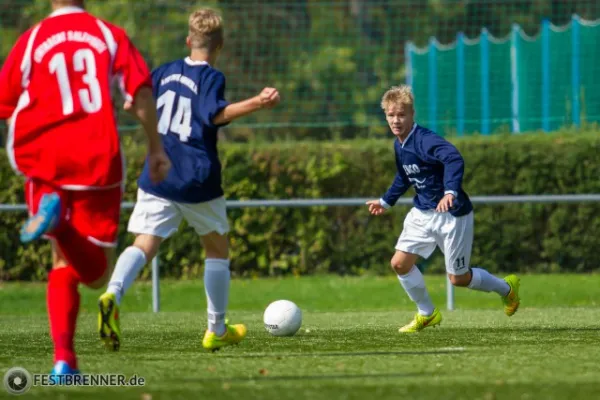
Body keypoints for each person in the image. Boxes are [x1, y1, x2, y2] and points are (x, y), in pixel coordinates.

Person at [0, 0, 170, 375]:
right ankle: (59, 224)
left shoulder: (30, 40)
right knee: (95, 277)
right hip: (94, 156)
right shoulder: (108, 35)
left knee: (61, 261)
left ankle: (64, 360)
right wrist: (155, 147)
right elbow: (140, 93)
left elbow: (6, 102)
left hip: (43, 160)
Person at [98, 8, 280, 352]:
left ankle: (113, 293)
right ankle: (216, 329)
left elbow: (130, 105)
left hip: (159, 172)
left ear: (187, 41)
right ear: (220, 45)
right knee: (216, 249)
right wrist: (257, 102)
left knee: (144, 243)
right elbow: (214, 114)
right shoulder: (211, 78)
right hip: (197, 175)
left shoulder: (163, 71)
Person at [366, 85, 520, 333]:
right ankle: (427, 313)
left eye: (401, 114)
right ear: (385, 115)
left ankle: (507, 289)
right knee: (399, 264)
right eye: (391, 115)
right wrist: (385, 201)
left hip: (452, 215)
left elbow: (454, 158)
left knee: (458, 279)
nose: (396, 120)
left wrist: (450, 191)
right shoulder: (399, 145)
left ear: (412, 114)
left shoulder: (425, 140)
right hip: (422, 213)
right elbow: (404, 177)